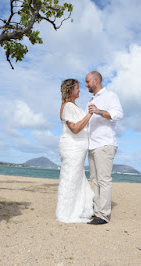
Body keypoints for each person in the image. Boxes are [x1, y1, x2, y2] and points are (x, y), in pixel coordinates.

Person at [85, 71, 123, 225]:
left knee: (104, 180)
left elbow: (119, 114)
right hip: (92, 145)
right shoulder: (90, 100)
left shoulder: (110, 96)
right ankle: (97, 211)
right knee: (95, 180)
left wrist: (99, 111)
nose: (86, 85)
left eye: (88, 82)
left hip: (105, 144)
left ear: (96, 80)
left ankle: (104, 215)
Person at [56, 79, 95, 223]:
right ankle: (66, 213)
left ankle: (81, 209)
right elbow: (75, 128)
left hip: (79, 148)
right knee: (70, 178)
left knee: (77, 178)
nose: (79, 91)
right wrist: (89, 115)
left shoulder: (73, 106)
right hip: (72, 147)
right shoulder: (67, 106)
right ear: (70, 90)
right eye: (77, 88)